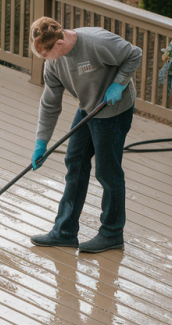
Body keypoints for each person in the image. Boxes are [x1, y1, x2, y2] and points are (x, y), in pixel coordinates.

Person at [30, 16, 142, 253]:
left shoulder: (96, 42)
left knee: (107, 171)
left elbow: (134, 54)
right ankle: (65, 232)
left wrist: (120, 84)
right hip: (89, 107)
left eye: (45, 55)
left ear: (58, 44)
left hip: (113, 108)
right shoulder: (54, 64)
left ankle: (112, 234)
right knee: (75, 162)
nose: (44, 61)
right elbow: (50, 104)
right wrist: (41, 143)